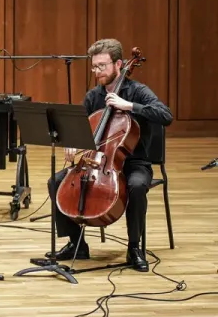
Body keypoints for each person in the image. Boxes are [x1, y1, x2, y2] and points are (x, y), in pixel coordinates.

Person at [46, 38, 173, 272]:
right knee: (55, 181)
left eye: (101, 66)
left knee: (135, 186)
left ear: (118, 64)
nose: (96, 72)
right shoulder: (93, 96)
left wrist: (130, 106)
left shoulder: (138, 91)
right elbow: (80, 129)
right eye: (94, 67)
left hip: (135, 162)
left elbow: (166, 115)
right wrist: (72, 143)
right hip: (99, 163)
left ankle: (134, 248)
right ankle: (76, 244)